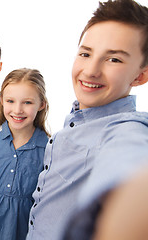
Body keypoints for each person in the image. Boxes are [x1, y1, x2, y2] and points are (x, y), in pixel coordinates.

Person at [26, 0, 148, 239]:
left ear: (140, 76)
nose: (91, 70)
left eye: (114, 59)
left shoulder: (125, 131)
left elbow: (130, 164)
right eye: (85, 53)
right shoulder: (77, 119)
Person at [0, 68, 49, 240]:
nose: (18, 110)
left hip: (24, 225)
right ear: (1, 101)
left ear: (42, 104)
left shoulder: (48, 147)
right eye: (10, 101)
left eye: (27, 103)